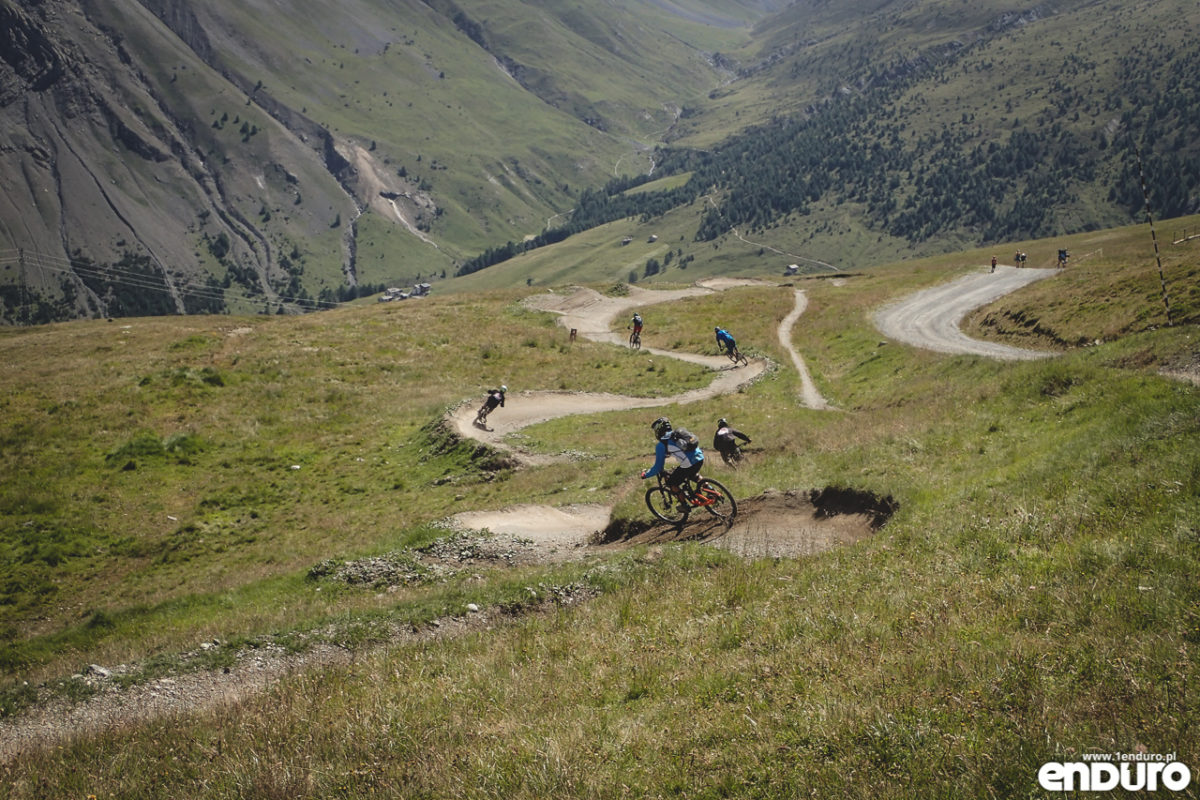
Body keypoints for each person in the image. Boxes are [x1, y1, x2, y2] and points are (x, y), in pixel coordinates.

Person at [640, 417, 704, 510]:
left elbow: (658, 467)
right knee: (693, 474)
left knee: (672, 483)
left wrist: (646, 474)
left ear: (658, 430)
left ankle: (684, 505)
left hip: (689, 463)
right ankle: (711, 490)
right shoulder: (678, 434)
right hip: (700, 457)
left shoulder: (661, 444)